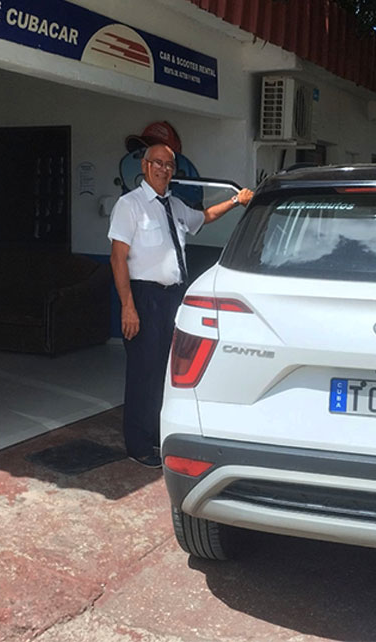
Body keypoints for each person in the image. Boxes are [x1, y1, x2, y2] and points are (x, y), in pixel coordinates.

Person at [107, 143, 254, 467]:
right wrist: (127, 306)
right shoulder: (129, 206)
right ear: (145, 166)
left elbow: (204, 217)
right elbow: (118, 258)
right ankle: (138, 445)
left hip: (174, 297)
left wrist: (235, 201)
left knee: (166, 372)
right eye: (158, 163)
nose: (164, 169)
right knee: (143, 373)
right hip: (144, 298)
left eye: (169, 165)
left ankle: (157, 435)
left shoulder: (174, 205)